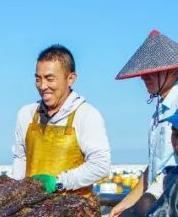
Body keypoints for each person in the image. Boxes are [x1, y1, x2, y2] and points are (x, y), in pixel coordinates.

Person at [107, 30, 178, 217]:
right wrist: (127, 203)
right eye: (143, 73)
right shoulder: (162, 106)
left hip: (177, 209)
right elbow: (156, 165)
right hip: (156, 204)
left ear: (173, 70)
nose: (145, 77)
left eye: (152, 72)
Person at [10, 44, 110, 195]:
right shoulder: (26, 114)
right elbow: (20, 158)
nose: (43, 86)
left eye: (50, 79)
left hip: (76, 211)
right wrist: (15, 194)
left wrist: (57, 182)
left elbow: (100, 166)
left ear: (70, 79)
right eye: (38, 79)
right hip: (32, 212)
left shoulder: (87, 115)